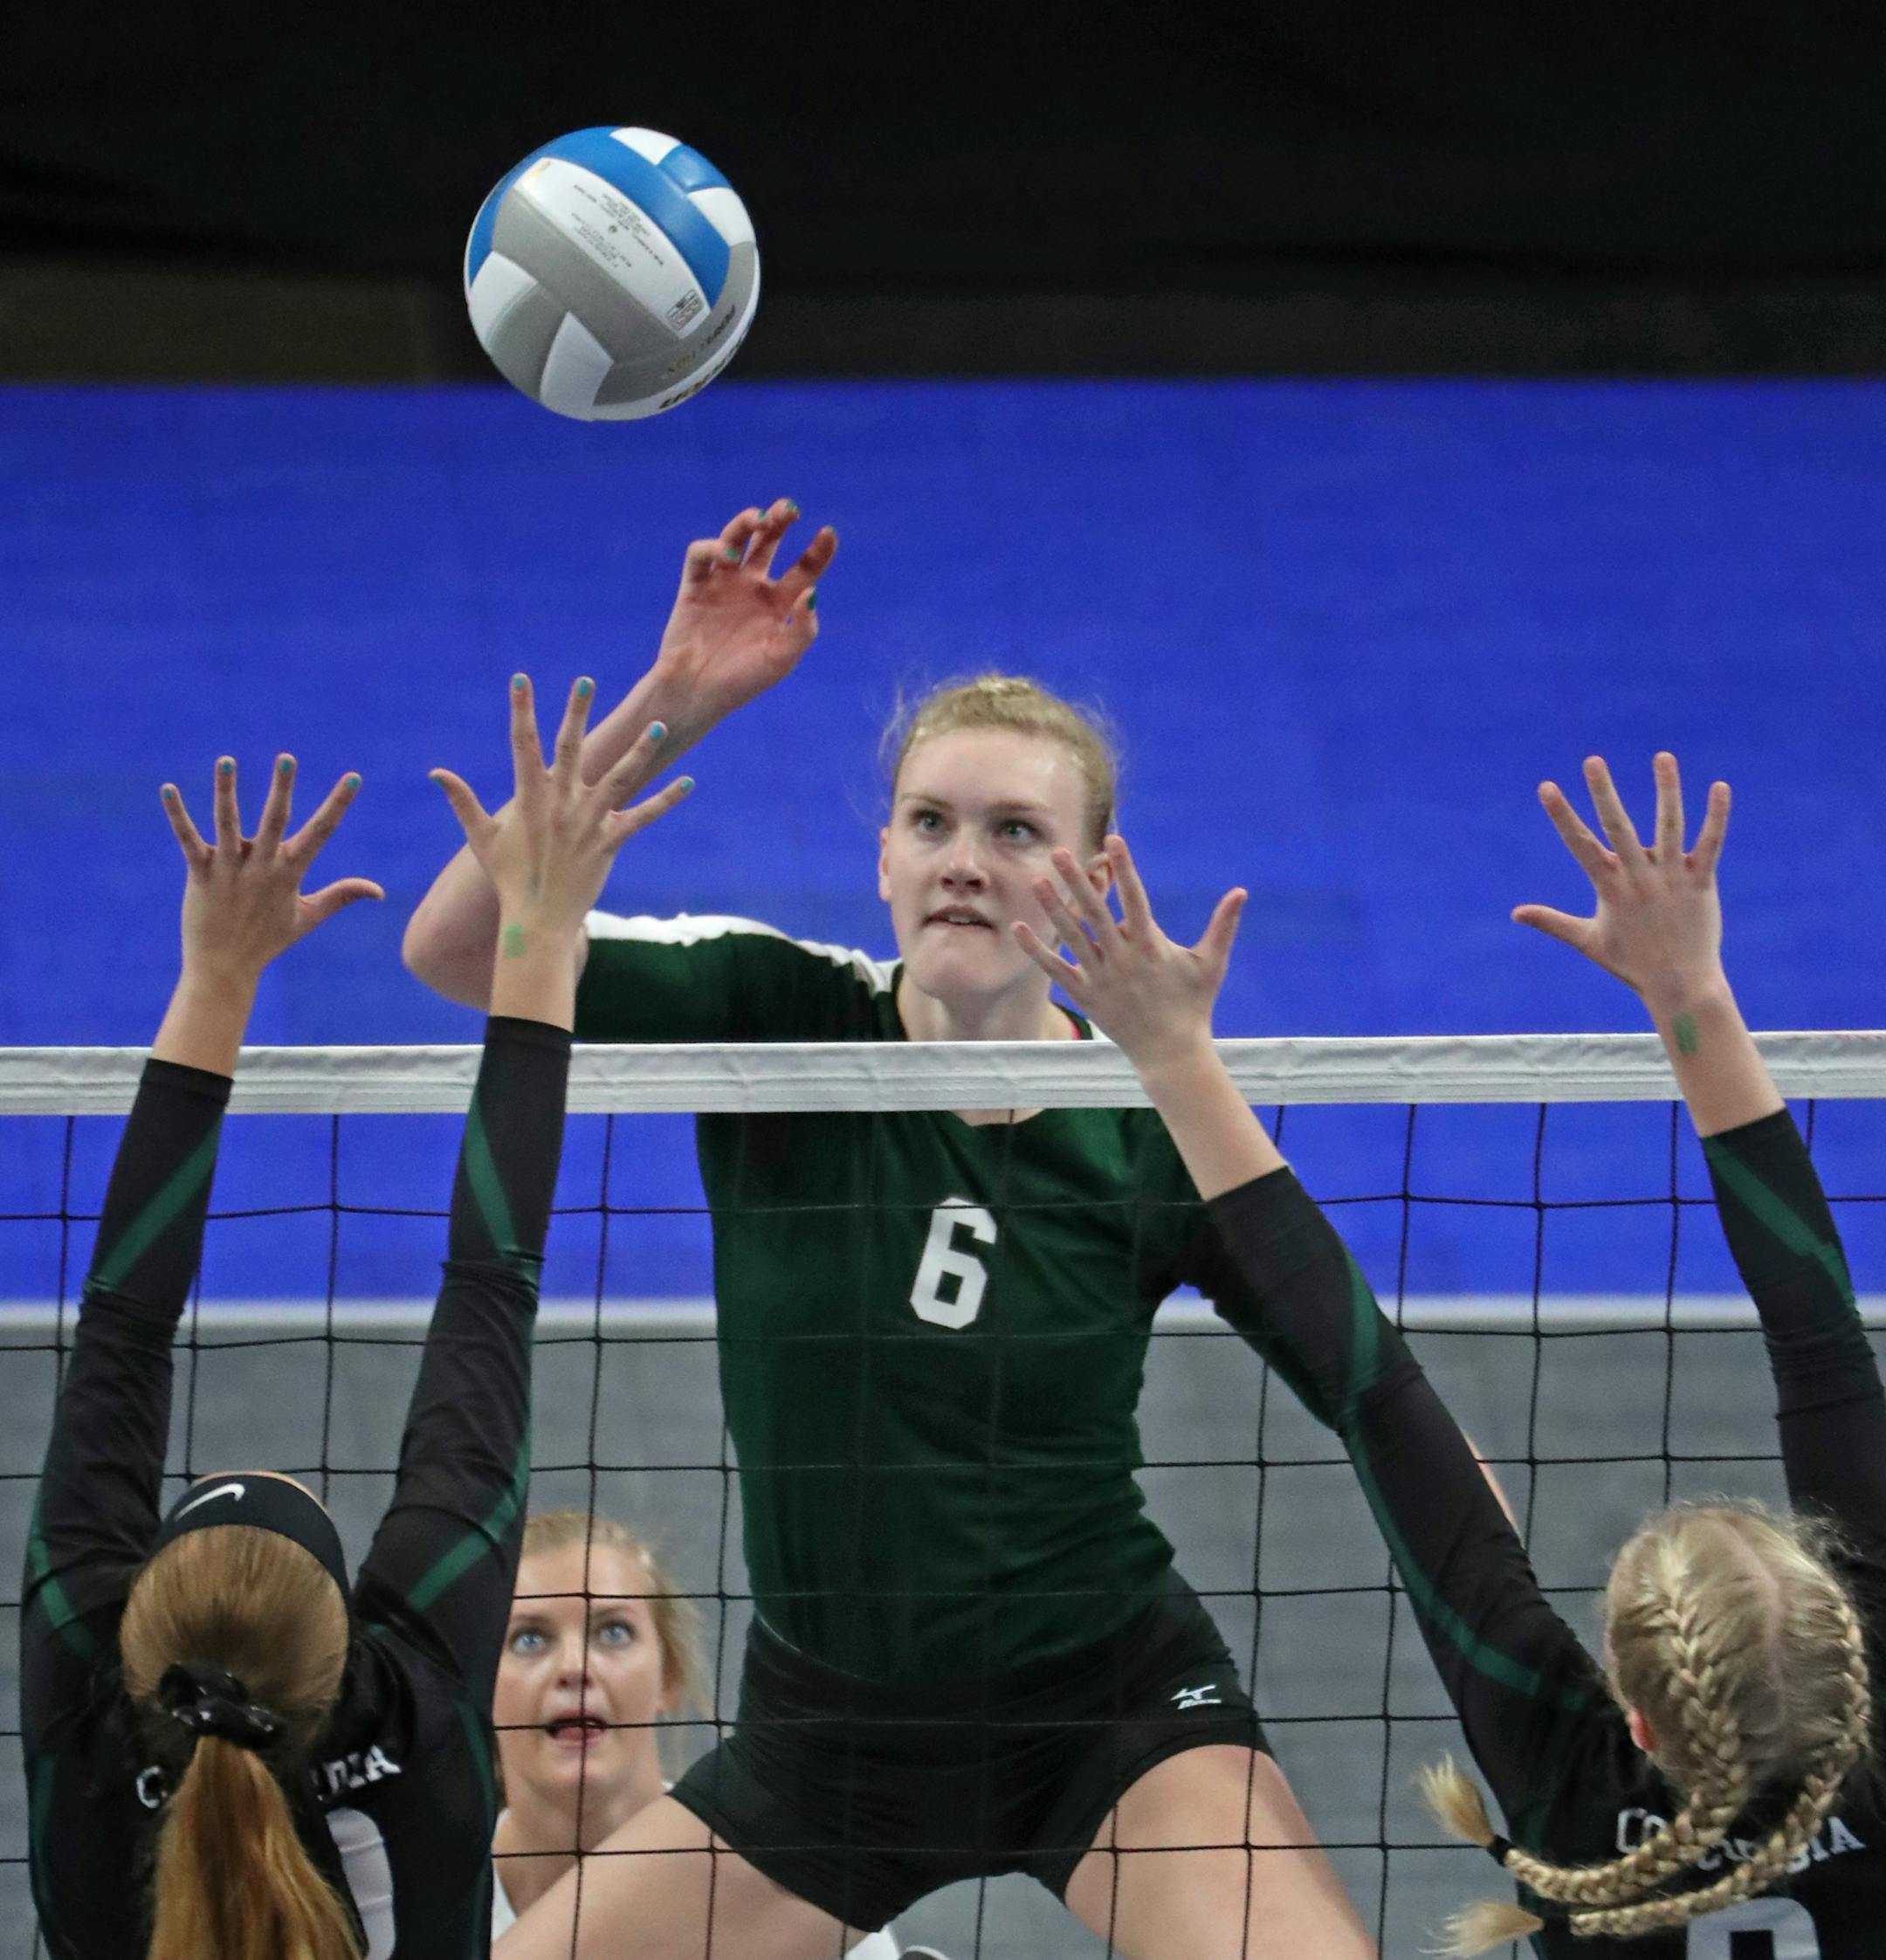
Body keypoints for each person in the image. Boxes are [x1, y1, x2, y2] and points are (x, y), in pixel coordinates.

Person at [406, 507, 1375, 1960]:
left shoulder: (1153, 1120)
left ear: (1093, 874)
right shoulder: (779, 1014)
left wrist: (1523, 1651)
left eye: (1015, 832)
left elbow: (1385, 1401)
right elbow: (464, 950)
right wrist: (677, 702)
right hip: (830, 1743)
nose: (965, 862)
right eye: (931, 824)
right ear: (883, 861)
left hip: (1105, 1708)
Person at [1011, 751, 1883, 1956]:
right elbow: (1821, 1341)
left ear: (1634, 1721)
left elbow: (1381, 1398)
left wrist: (1168, 1058)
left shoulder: (1573, 1786)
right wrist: (1694, 991)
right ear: (1848, 1660)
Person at [24, 680, 685, 1959]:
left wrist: (214, 979)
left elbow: (123, 1331)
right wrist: (542, 933)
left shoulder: (101, 1731)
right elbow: (482, 1282)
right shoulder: (415, 1704)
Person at [491, 1510, 904, 1960]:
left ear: (668, 1675)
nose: (575, 1667)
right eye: (528, 1639)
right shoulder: (414, 1906)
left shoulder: (794, 1890)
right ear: (475, 1682)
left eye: (613, 1632)